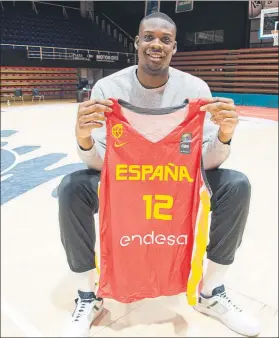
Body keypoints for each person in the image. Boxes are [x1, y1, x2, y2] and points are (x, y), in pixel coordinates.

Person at [59, 12, 260, 337]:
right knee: (72, 187)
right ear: (137, 42)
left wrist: (224, 134)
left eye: (165, 39)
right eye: (149, 37)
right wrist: (82, 138)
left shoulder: (195, 88)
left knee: (236, 185)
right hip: (125, 178)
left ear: (174, 47)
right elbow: (98, 162)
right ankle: (88, 297)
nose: (157, 44)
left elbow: (207, 161)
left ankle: (212, 292)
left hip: (177, 178)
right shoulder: (108, 88)